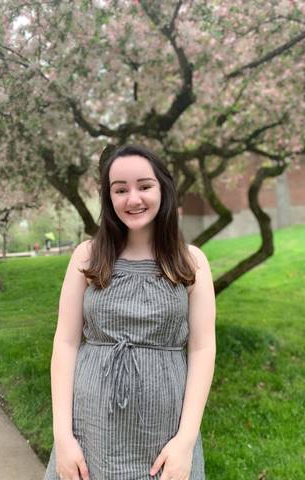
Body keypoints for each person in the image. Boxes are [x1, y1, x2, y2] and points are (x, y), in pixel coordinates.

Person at [44, 144, 216, 480]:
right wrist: (63, 437)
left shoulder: (191, 262)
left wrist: (185, 440)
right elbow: (64, 344)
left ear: (163, 189)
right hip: (90, 428)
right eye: (120, 190)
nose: (132, 199)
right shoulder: (87, 257)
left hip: (164, 432)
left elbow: (202, 348)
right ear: (109, 198)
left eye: (144, 186)